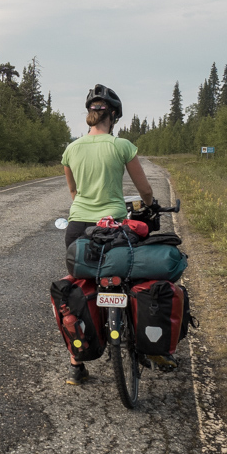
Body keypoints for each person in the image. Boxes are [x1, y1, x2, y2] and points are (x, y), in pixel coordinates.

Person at [58, 84, 156, 385]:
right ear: (112, 116)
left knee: (77, 289)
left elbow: (74, 192)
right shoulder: (121, 146)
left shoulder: (71, 149)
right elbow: (145, 191)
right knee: (128, 279)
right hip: (112, 225)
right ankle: (142, 342)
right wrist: (149, 207)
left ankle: (77, 363)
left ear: (90, 114)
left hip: (78, 228)